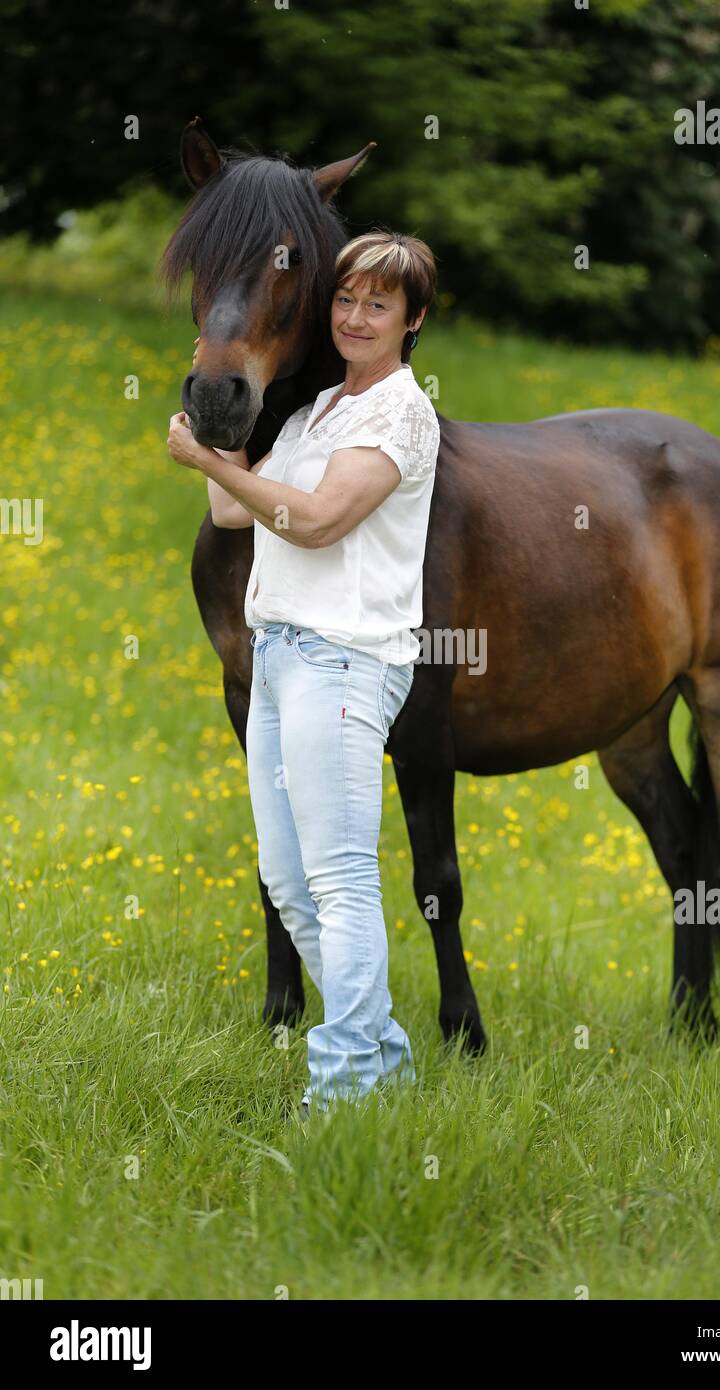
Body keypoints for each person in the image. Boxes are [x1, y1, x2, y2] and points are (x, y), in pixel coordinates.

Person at [167, 231, 440, 1118]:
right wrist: (218, 430)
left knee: (340, 878)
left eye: (380, 305)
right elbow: (228, 509)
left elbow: (319, 522)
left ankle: (349, 1090)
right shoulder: (316, 410)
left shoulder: (400, 413)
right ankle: (382, 1065)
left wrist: (211, 463)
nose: (357, 318)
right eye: (348, 299)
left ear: (412, 322)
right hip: (281, 655)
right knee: (290, 882)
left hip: (346, 662)